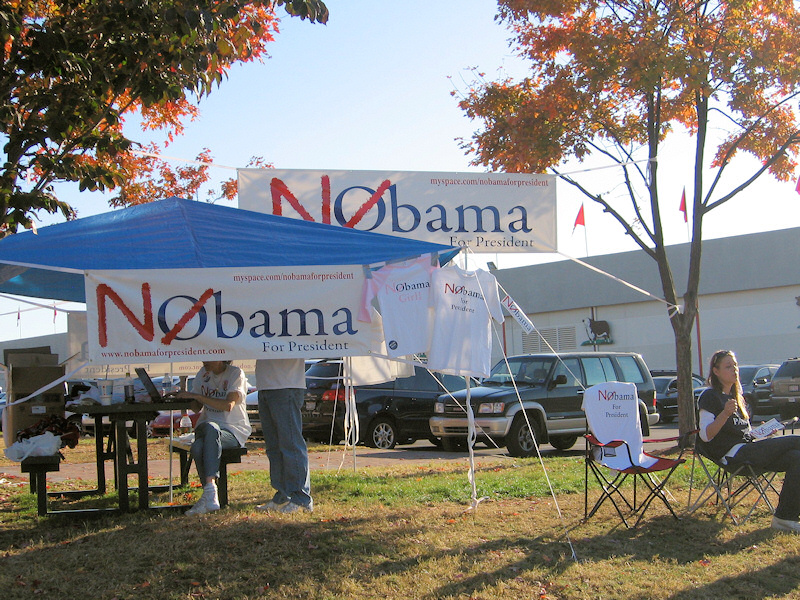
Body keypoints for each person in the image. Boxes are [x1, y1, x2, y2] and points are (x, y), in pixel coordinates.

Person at [698, 349, 800, 533]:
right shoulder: (710, 396)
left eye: (735, 365)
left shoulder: (737, 398)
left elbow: (745, 434)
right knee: (797, 441)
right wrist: (724, 414)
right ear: (716, 371)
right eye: (728, 366)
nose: (734, 369)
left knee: (796, 457)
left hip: (750, 450)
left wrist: (765, 433)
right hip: (734, 456)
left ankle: (784, 518)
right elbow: (705, 435)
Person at [176, 361, 251, 516]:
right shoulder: (202, 374)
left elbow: (228, 405)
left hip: (232, 430)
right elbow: (197, 407)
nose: (204, 362)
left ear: (221, 358)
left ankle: (208, 493)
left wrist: (197, 395)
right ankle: (210, 494)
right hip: (207, 428)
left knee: (200, 444)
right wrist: (181, 397)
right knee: (207, 432)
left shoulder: (236, 374)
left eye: (209, 358)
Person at [255, 358, 313, 513]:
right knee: (273, 447)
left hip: (287, 384)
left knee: (291, 444)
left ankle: (301, 498)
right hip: (265, 385)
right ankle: (283, 495)